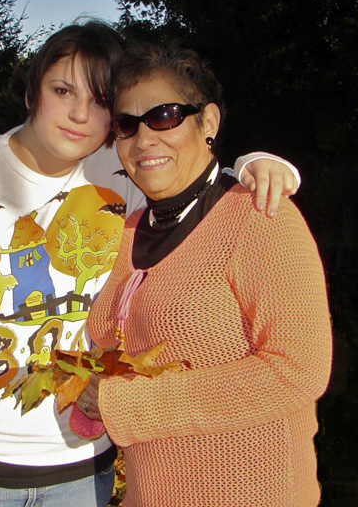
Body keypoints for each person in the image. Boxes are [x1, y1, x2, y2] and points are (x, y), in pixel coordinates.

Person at [0, 21, 300, 507]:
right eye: (62, 90)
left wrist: (252, 167)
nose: (79, 114)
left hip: (83, 466)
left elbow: (189, 181)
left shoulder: (120, 173)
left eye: (100, 101)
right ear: (31, 92)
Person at [79, 40, 333, 507]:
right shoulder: (129, 228)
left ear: (208, 122)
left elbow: (299, 370)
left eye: (164, 116)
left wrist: (127, 405)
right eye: (127, 124)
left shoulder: (259, 216)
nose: (144, 139)